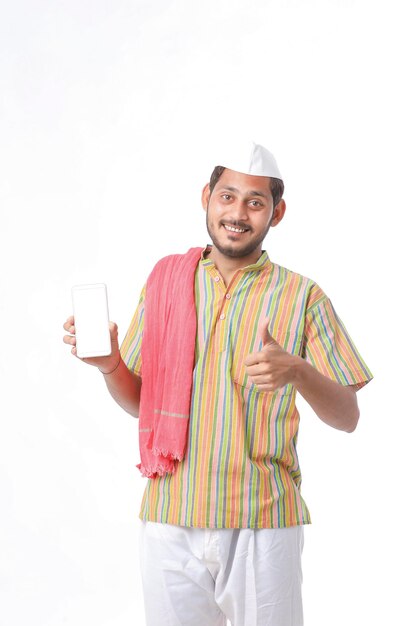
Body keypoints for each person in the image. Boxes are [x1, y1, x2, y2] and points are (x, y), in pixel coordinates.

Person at [63, 142, 372, 626]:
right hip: (170, 513)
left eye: (255, 202)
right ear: (206, 197)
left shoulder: (301, 295)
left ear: (277, 212)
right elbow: (141, 402)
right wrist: (109, 365)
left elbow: (348, 417)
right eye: (227, 196)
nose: (238, 213)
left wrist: (298, 371)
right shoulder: (167, 279)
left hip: (262, 521)